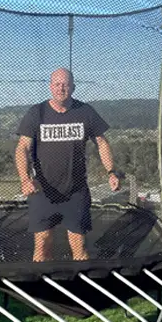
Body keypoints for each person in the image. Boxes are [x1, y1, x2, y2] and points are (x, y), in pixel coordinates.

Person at [15, 68, 121, 262]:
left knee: (79, 247)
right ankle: (40, 288)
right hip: (43, 192)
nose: (60, 88)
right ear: (50, 86)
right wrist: (24, 179)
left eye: (65, 84)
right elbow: (22, 147)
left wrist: (111, 172)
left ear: (73, 87)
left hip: (76, 192)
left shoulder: (85, 112)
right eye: (56, 83)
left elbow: (102, 142)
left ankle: (80, 288)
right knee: (42, 245)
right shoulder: (36, 113)